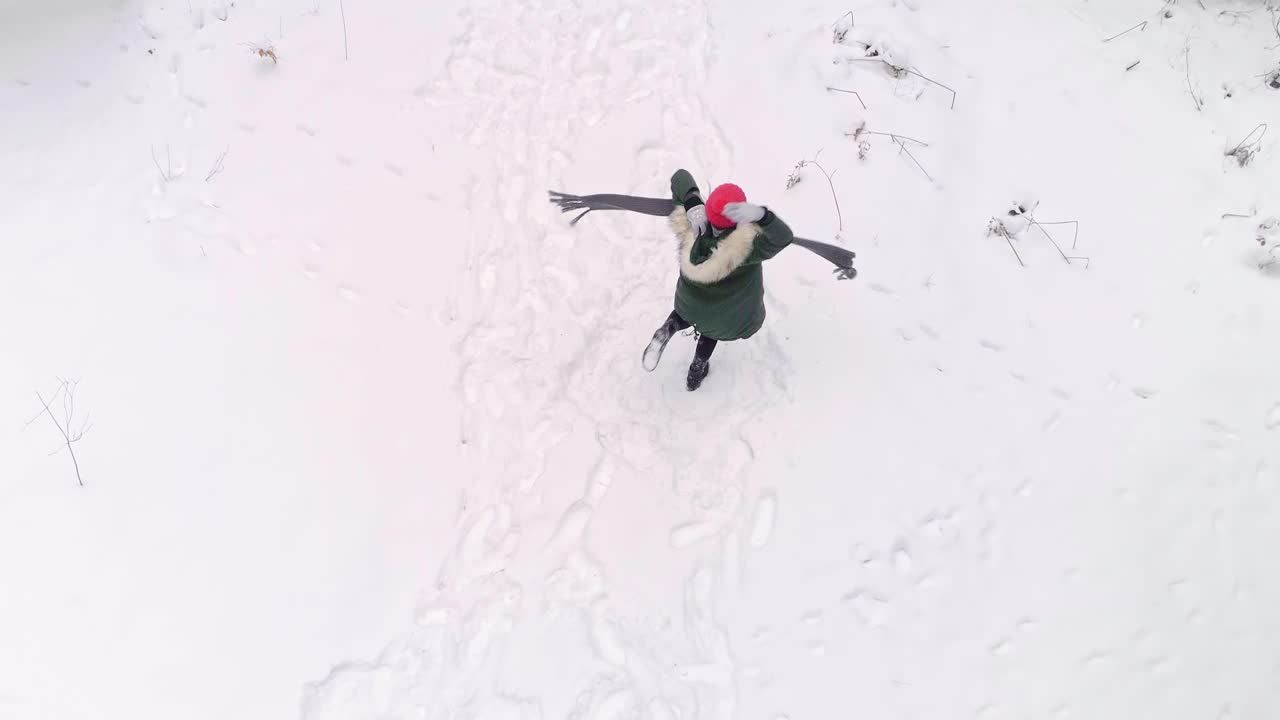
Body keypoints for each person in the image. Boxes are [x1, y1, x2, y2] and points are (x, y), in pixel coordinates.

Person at [642, 169, 794, 391]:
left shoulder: (689, 227)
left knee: (689, 314)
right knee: (711, 329)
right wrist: (763, 216)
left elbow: (680, 176)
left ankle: (668, 328)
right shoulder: (749, 248)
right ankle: (697, 369)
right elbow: (784, 237)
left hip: (688, 305)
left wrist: (692, 201)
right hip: (722, 318)